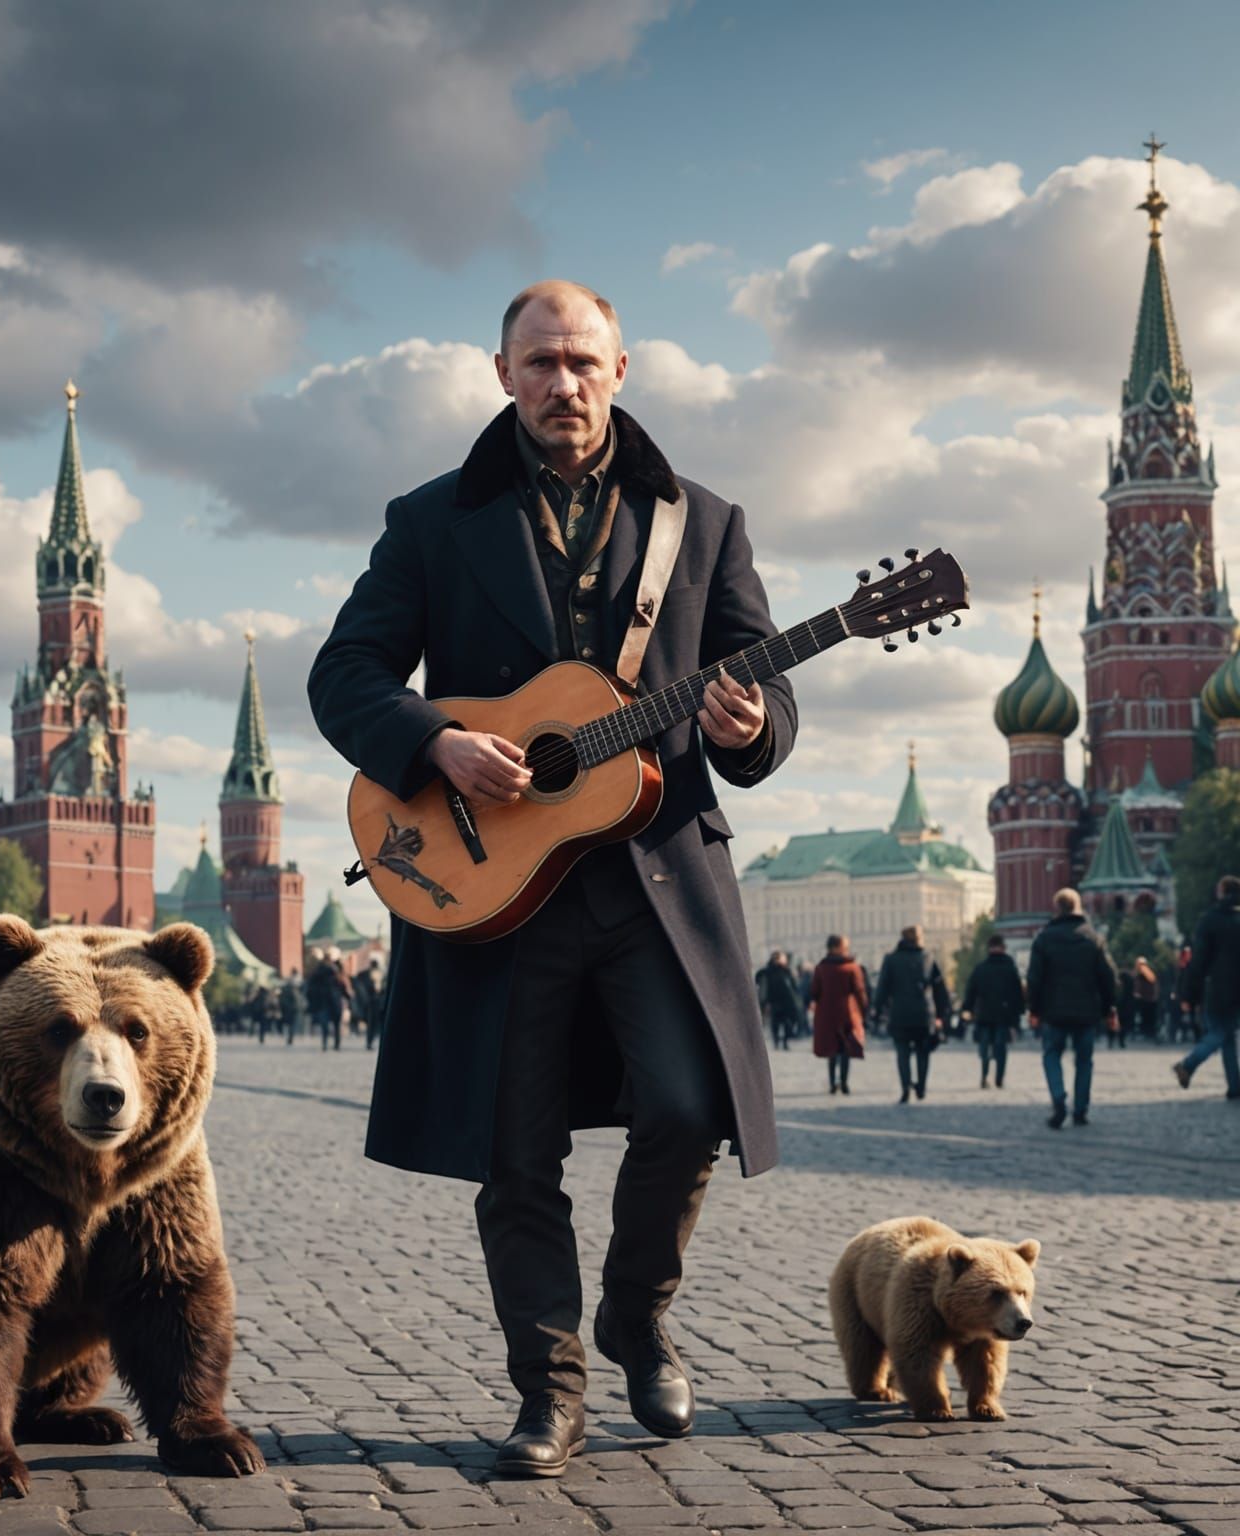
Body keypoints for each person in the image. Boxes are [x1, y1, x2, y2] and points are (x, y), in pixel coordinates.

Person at [309, 279, 795, 1476]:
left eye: (582, 361)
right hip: (497, 897)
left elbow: (767, 703)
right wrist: (434, 743)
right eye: (539, 364)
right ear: (503, 375)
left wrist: (743, 732)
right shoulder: (431, 521)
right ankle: (553, 1389)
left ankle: (636, 1313)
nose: (562, 384)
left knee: (688, 1113)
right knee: (514, 1152)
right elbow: (346, 674)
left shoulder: (706, 521)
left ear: (621, 370)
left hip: (655, 883)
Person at [1027, 888, 1117, 1129]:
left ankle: (1058, 1097)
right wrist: (1110, 1009)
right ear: (1078, 907)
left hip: (1053, 1011)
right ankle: (1080, 1110)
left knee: (1052, 1055)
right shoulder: (1093, 938)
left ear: (1057, 908)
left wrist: (1034, 1010)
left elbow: (1034, 979)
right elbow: (1108, 977)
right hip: (1086, 1011)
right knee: (1084, 1061)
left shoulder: (1044, 938)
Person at [1172, 875, 1240, 1099]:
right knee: (1227, 1036)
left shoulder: (1211, 919)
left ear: (1222, 892)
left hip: (1218, 987)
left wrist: (1188, 993)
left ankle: (1188, 1065)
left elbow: (1199, 960)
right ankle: (1235, 1085)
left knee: (1219, 1032)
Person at [874, 925, 947, 1105]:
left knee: (903, 1053)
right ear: (919, 938)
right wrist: (942, 1014)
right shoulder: (928, 958)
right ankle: (921, 1087)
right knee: (923, 1052)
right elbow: (940, 990)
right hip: (924, 1013)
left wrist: (877, 1010)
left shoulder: (891, 960)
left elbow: (883, 988)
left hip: (900, 1013)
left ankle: (906, 1088)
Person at [962, 934, 1025, 1089]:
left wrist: (967, 1008)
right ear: (1003, 948)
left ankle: (984, 1076)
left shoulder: (981, 968)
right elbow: (1017, 993)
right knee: (1001, 1047)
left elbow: (971, 990)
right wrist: (1018, 1013)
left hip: (984, 1014)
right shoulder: (1010, 968)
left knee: (985, 1047)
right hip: (1003, 1015)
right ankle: (999, 1078)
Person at [810, 935, 866, 1095]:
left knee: (832, 1050)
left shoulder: (821, 967)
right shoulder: (852, 967)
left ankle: (833, 1082)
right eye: (845, 946)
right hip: (847, 1013)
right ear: (835, 947)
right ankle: (844, 1082)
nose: (847, 948)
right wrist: (864, 1011)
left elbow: (814, 991)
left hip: (826, 1014)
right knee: (845, 1049)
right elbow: (860, 992)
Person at [762, 951, 801, 1052]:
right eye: (782, 958)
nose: (784, 960)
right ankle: (776, 1042)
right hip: (774, 1001)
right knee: (775, 1023)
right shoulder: (768, 971)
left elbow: (793, 986)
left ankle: (785, 1042)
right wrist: (766, 1002)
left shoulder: (786, 971)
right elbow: (765, 987)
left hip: (787, 1002)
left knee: (788, 1022)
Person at [352, 956, 385, 1051]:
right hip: (371, 1002)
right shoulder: (366, 974)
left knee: (376, 1024)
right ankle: (369, 1042)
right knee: (371, 1023)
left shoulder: (380, 974)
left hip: (378, 1001)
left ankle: (371, 1041)